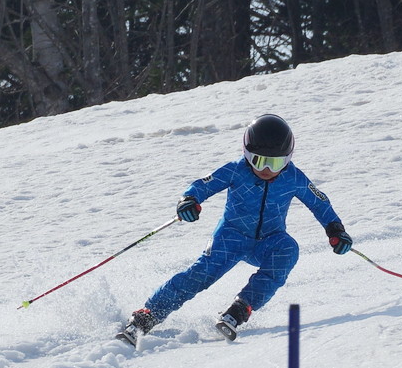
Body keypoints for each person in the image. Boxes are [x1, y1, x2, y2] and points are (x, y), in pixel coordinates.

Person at [118, 114, 352, 345]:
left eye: (277, 162)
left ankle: (240, 309)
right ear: (247, 154)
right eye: (260, 161)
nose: (268, 169)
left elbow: (319, 202)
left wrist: (335, 229)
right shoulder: (236, 170)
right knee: (200, 275)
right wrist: (189, 200)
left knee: (288, 249)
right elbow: (203, 185)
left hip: (269, 240)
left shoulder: (294, 178)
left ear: (288, 159)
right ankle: (147, 315)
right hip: (231, 237)